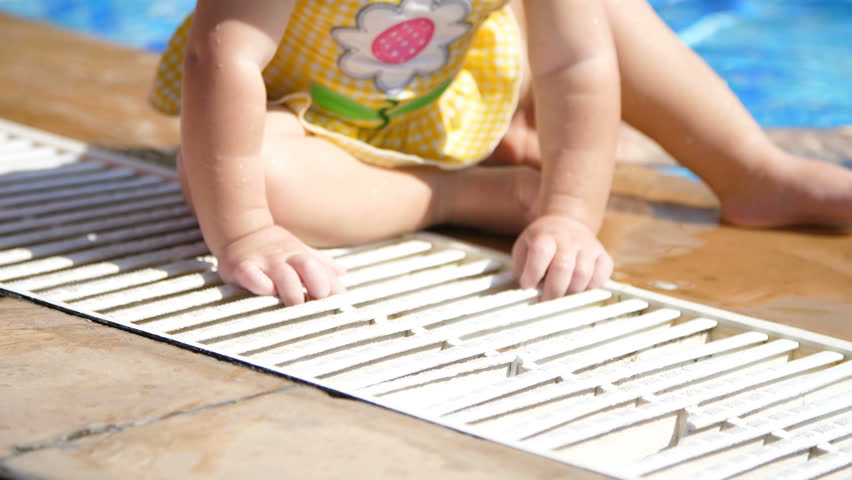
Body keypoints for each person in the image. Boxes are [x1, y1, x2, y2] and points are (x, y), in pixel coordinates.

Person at [150, 0, 852, 307]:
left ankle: (749, 169)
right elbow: (225, 58)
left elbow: (577, 66)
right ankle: (465, 194)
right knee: (241, 176)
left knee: (596, 16)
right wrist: (244, 229)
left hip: (445, 88)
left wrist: (572, 214)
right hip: (311, 125)